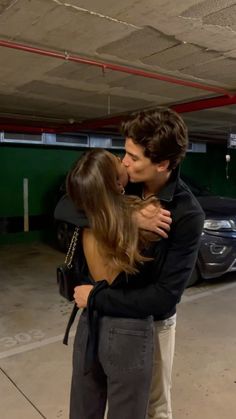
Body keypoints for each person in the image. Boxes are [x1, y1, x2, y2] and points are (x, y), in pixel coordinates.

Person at [72, 107, 205, 419]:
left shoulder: (186, 213)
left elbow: (165, 296)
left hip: (152, 324)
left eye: (134, 157)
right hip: (103, 314)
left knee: (155, 408)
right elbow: (70, 203)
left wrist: (95, 297)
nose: (124, 162)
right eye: (125, 152)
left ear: (162, 164)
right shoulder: (124, 180)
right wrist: (128, 217)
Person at [65, 148, 163, 419]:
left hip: (90, 317)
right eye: (116, 161)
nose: (123, 159)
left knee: (84, 409)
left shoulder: (85, 215)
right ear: (116, 183)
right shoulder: (145, 215)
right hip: (127, 325)